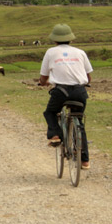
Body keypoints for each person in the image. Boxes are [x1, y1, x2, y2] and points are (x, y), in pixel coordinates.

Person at [38, 24, 93, 169]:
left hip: (60, 91)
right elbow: (88, 77)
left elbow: (44, 77)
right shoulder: (80, 52)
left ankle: (55, 136)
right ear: (70, 39)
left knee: (50, 112)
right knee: (79, 122)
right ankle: (85, 161)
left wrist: (43, 83)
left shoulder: (50, 52)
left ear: (54, 40)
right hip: (80, 91)